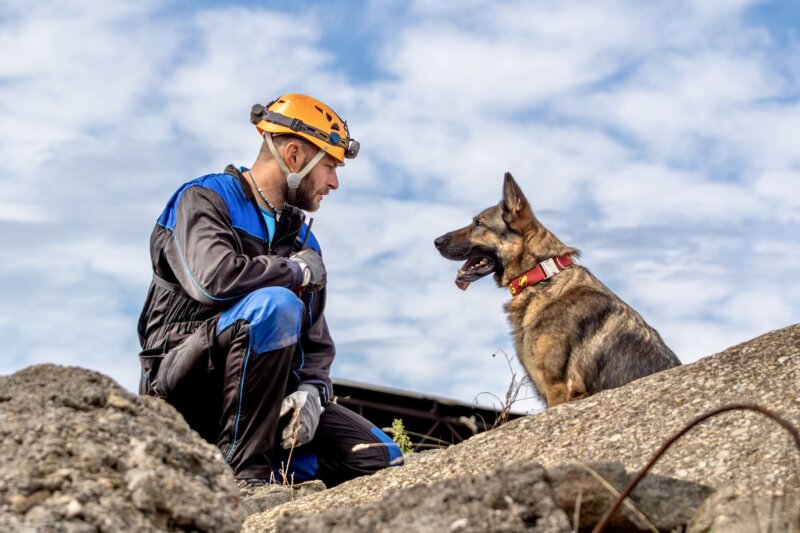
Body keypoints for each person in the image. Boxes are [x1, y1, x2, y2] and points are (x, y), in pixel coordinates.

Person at [136, 93, 402, 486]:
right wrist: (293, 272)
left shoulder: (304, 242)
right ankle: (243, 479)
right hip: (181, 388)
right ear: (294, 156)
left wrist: (312, 391)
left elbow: (315, 343)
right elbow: (214, 281)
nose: (334, 182)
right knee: (274, 306)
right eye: (329, 166)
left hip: (263, 405)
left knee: (381, 456)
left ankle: (276, 474)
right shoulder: (205, 199)